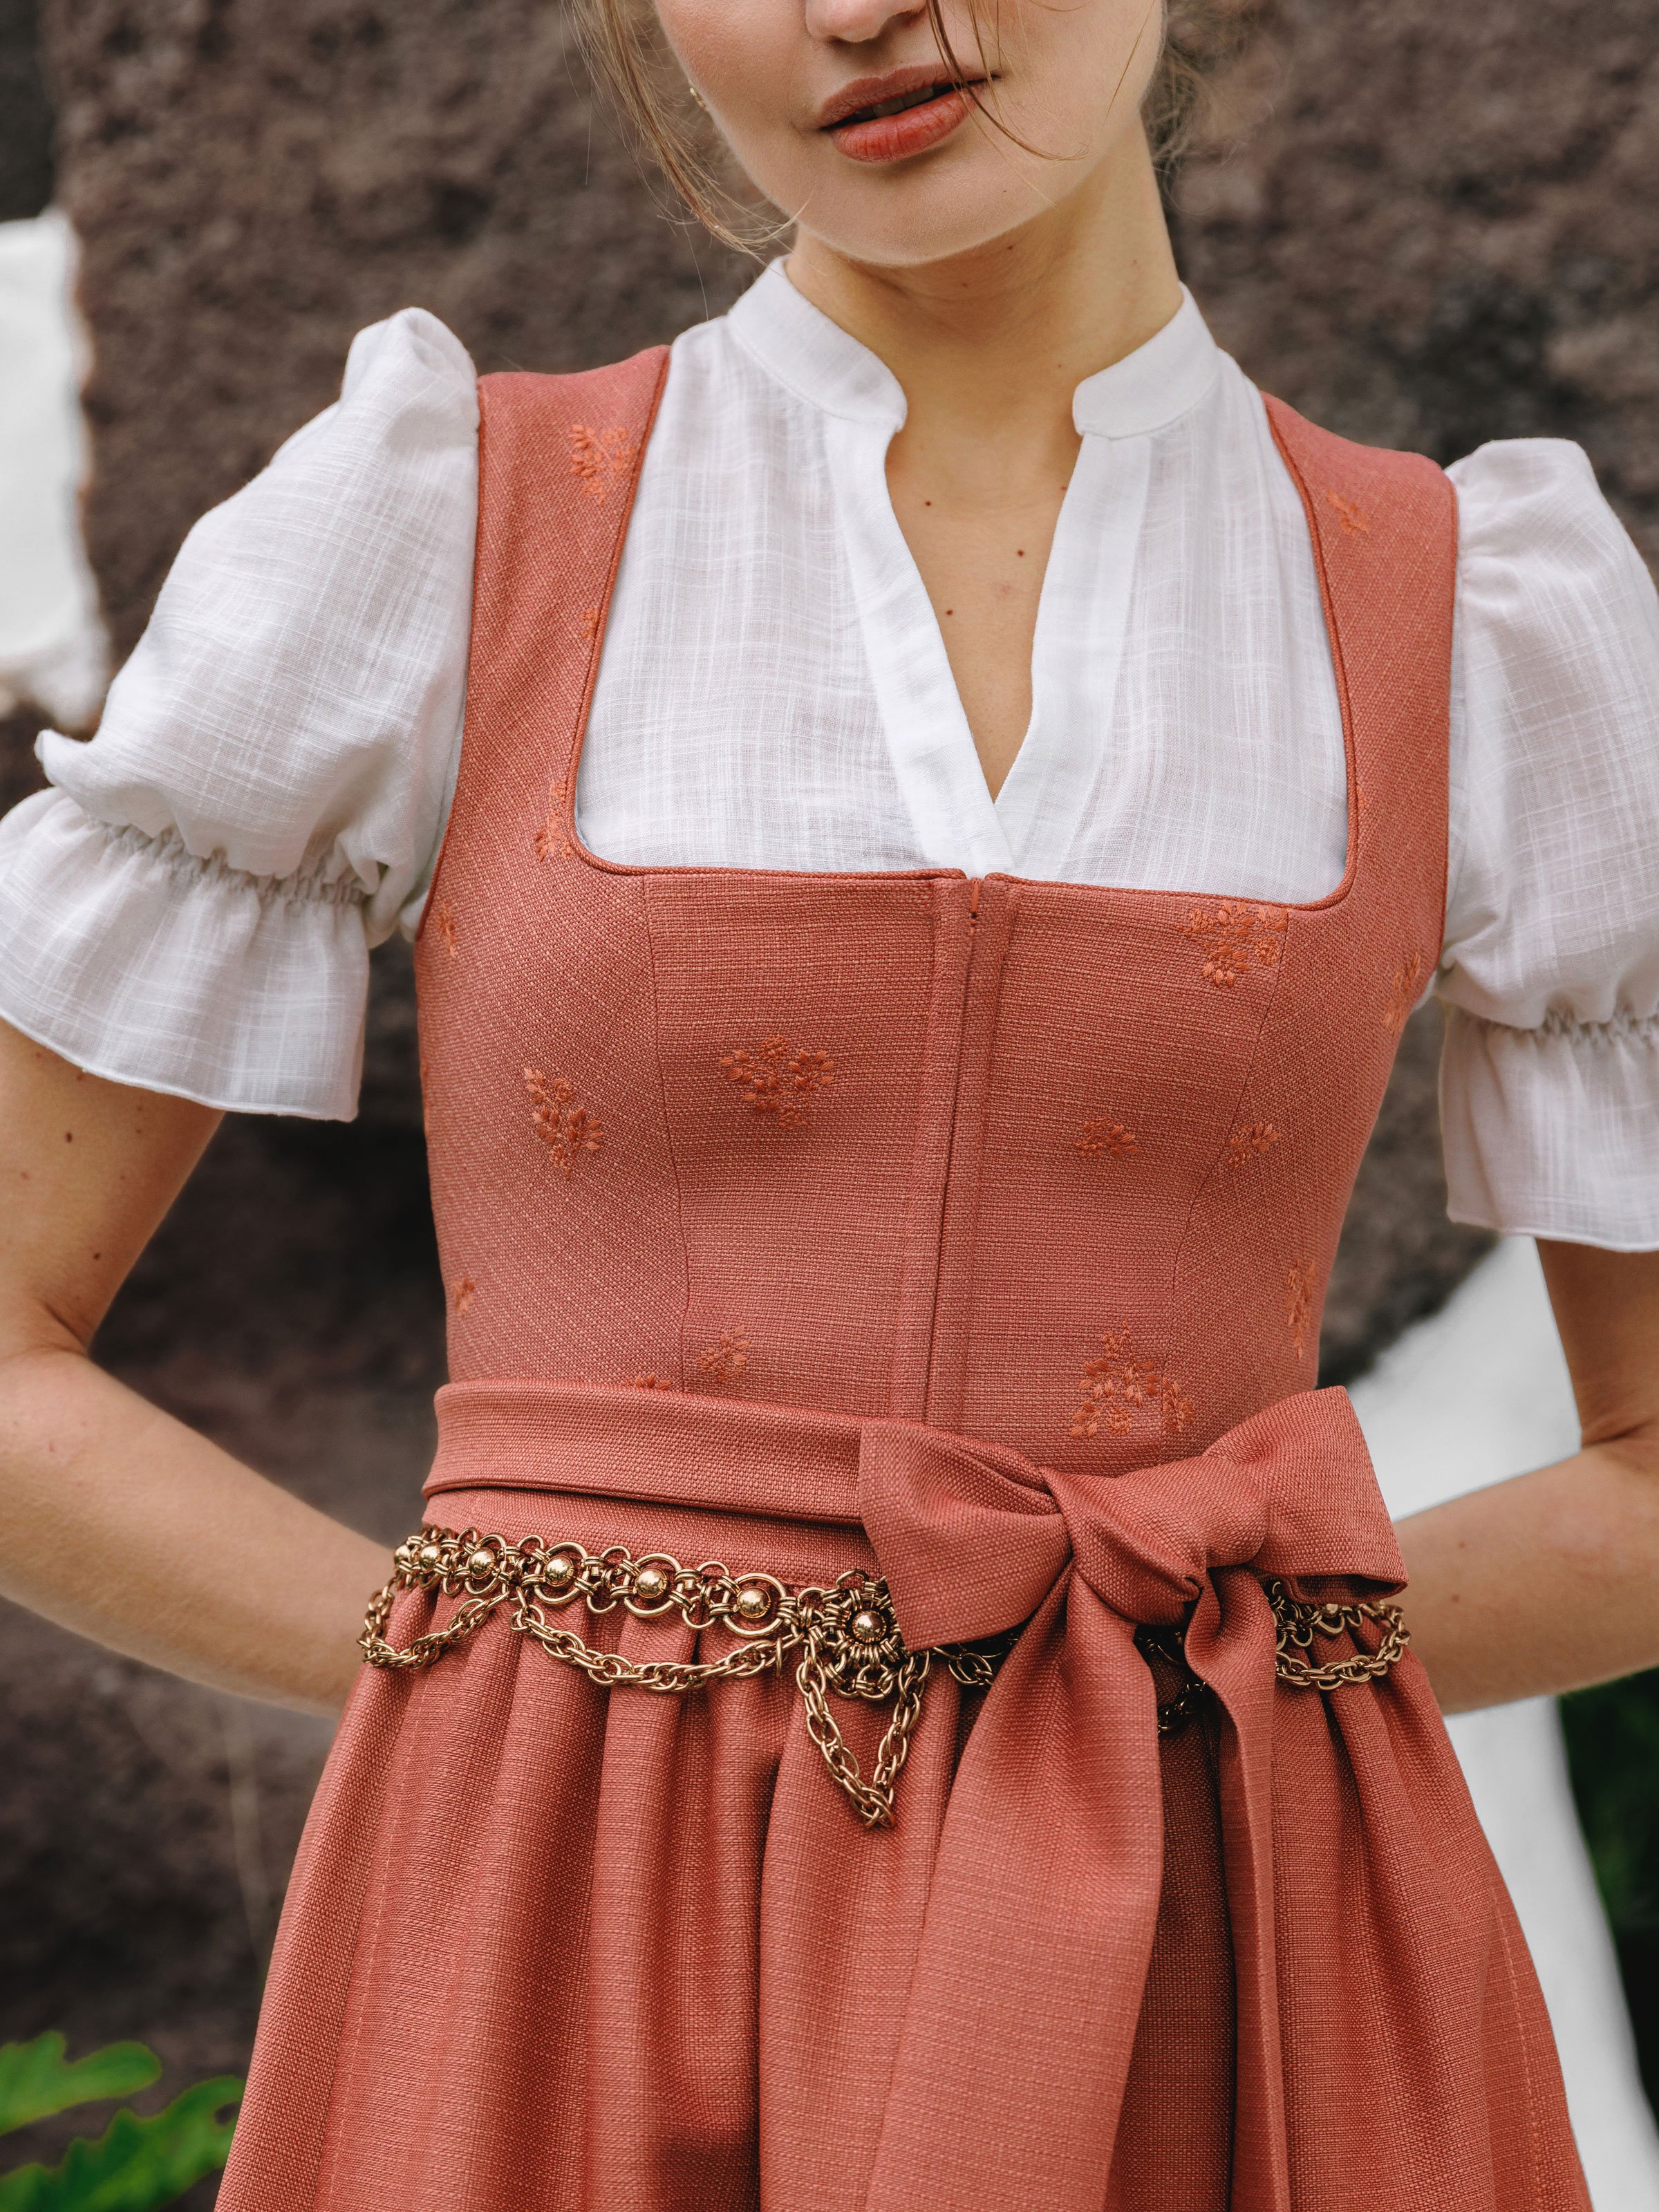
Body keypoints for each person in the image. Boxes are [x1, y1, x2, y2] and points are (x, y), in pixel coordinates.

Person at [0, 0, 1656, 2204]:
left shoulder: (1480, 612)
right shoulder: (444, 517)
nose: (857, 8)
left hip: (1212, 1943)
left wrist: (1214, 1651)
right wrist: (501, 1668)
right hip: (562, 1947)